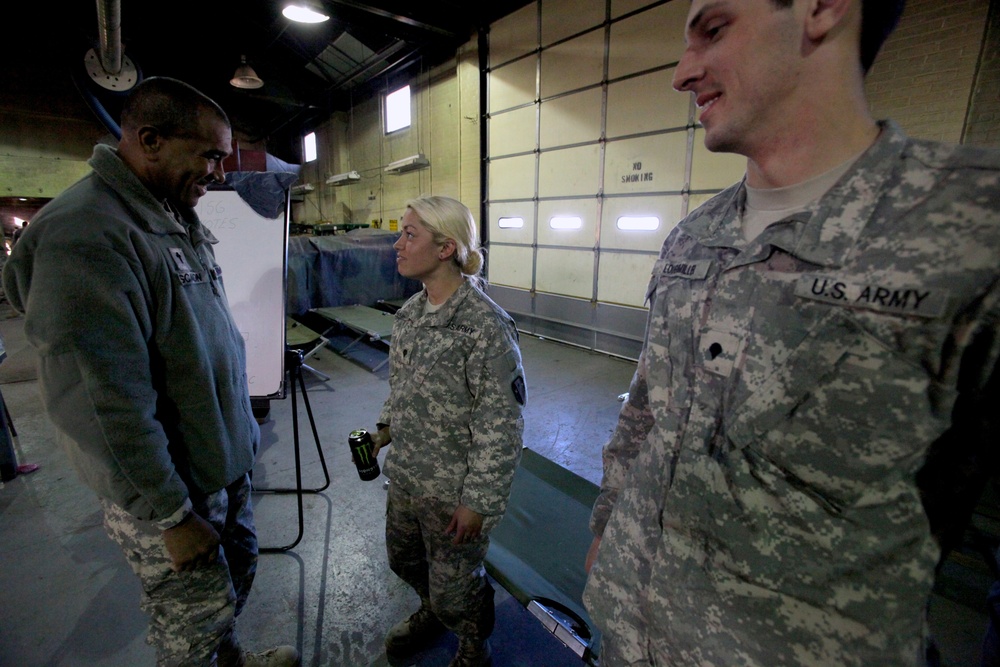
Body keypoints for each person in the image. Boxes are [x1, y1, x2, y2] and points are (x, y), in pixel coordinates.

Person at [582, 1, 1000, 666]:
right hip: (634, 633)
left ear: (822, 8)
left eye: (713, 30)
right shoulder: (695, 237)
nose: (682, 73)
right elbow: (645, 411)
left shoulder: (970, 227)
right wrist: (608, 523)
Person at [2, 77, 299, 667]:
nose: (219, 170)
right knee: (190, 628)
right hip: (173, 490)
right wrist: (170, 514)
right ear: (150, 140)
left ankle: (232, 661)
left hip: (215, 464)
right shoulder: (86, 234)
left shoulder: (166, 211)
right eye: (210, 154)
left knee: (226, 591)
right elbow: (101, 402)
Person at [369, 195, 526, 667]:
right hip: (408, 480)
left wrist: (477, 501)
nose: (397, 244)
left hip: (453, 493)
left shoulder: (485, 326)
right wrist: (383, 430)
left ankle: (473, 643)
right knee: (406, 562)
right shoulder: (410, 316)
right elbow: (402, 388)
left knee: (457, 588)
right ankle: (432, 612)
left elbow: (502, 424)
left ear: (445, 248)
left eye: (409, 234)